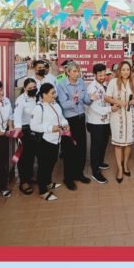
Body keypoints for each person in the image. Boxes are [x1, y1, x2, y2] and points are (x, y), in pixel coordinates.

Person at [56, 62, 91, 190]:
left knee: (81, 148)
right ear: (68, 72)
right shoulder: (61, 85)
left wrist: (91, 98)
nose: (77, 74)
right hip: (69, 121)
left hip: (81, 118)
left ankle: (79, 174)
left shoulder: (81, 82)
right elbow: (64, 105)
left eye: (78, 71)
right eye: (75, 71)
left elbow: (86, 99)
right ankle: (68, 178)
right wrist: (74, 100)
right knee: (69, 150)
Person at [30, 82, 67, 202]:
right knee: (43, 166)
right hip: (45, 141)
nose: (54, 95)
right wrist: (50, 128)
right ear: (44, 95)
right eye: (52, 93)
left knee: (52, 162)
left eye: (54, 93)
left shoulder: (55, 104)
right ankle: (42, 191)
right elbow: (33, 126)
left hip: (56, 140)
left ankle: (48, 182)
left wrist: (65, 124)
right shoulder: (39, 108)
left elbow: (61, 118)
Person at [105, 61, 134, 183]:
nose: (126, 72)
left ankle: (125, 165)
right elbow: (107, 97)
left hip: (130, 115)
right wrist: (119, 102)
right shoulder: (113, 82)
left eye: (128, 70)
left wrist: (133, 101)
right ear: (119, 70)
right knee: (118, 144)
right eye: (123, 69)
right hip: (117, 115)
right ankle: (119, 168)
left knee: (128, 143)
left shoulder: (133, 82)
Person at [85, 64, 113, 184]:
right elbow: (95, 107)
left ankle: (100, 162)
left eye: (103, 74)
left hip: (105, 121)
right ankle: (95, 172)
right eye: (100, 75)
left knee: (103, 144)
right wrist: (112, 109)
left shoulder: (104, 85)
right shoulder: (92, 88)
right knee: (96, 147)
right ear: (94, 74)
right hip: (95, 122)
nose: (102, 77)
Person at [12, 78, 40, 195]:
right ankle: (24, 182)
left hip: (37, 129)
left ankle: (30, 176)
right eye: (30, 88)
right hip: (25, 130)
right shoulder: (21, 100)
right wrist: (18, 130)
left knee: (33, 155)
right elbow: (17, 116)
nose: (33, 90)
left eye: (34, 87)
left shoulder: (38, 97)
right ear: (24, 89)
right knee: (24, 157)